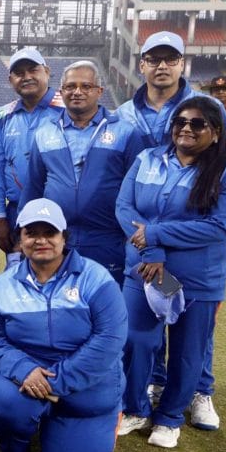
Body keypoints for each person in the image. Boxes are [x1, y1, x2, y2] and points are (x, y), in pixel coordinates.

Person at [116, 96, 226, 449]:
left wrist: (157, 234)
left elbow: (219, 226)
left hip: (198, 276)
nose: (187, 129)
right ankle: (135, 408)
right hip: (145, 269)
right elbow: (124, 207)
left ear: (216, 132)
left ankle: (170, 416)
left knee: (188, 351)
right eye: (181, 122)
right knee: (135, 340)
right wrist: (154, 248)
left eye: (198, 124)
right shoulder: (148, 159)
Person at [0, 198, 126, 452]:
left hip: (87, 387)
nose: (41, 240)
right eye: (32, 233)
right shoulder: (3, 286)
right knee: (5, 401)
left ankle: (73, 425)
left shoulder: (95, 278)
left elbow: (110, 339)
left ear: (64, 237)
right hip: (28, 378)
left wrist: (56, 382)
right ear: (20, 239)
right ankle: (14, 448)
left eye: (50, 232)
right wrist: (24, 369)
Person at [24, 61, 141, 286]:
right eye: (70, 86)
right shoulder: (45, 132)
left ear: (99, 91)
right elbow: (34, 187)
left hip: (107, 240)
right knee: (60, 309)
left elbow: (138, 190)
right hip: (57, 239)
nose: (77, 92)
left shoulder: (125, 132)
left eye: (86, 86)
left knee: (104, 308)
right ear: (61, 92)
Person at [0, 47, 66, 256]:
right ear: (10, 79)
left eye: (33, 70)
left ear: (47, 72)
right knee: (19, 282)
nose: (27, 77)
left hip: (61, 210)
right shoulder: (3, 115)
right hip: (15, 213)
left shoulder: (67, 109)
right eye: (19, 73)